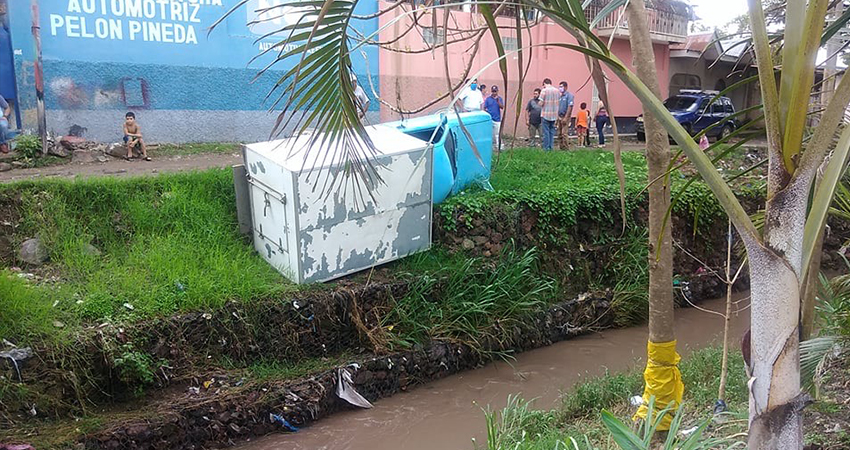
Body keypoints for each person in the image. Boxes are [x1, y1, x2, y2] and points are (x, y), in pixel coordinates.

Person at [539, 79, 560, 151]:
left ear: (544, 83)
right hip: (554, 115)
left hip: (546, 114)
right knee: (551, 132)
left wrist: (538, 104)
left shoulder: (544, 91)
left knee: (546, 132)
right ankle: (551, 147)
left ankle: (546, 148)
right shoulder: (557, 91)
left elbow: (541, 103)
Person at [483, 85, 505, 151]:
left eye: (495, 91)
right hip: (490, 119)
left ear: (497, 91)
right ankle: (490, 147)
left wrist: (498, 101)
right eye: (493, 91)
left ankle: (500, 147)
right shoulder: (488, 99)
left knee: (498, 134)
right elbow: (485, 107)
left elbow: (502, 107)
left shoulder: (499, 99)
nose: (494, 93)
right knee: (490, 134)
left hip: (497, 119)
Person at [557, 81, 574, 150]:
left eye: (561, 87)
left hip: (565, 116)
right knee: (559, 133)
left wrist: (566, 117)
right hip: (559, 116)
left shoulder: (569, 96)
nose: (560, 88)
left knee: (564, 133)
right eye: (559, 87)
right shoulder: (560, 96)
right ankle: (561, 147)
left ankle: (566, 148)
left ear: (566, 87)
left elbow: (570, 106)